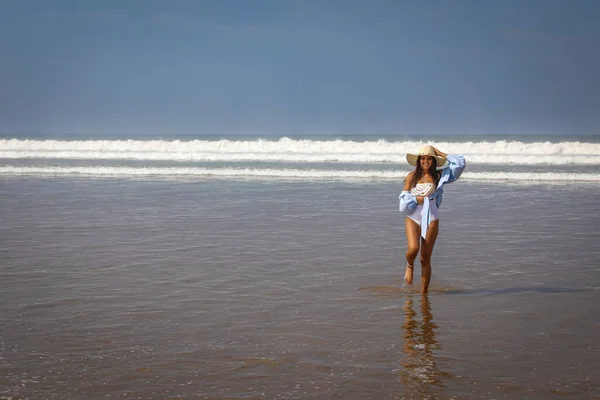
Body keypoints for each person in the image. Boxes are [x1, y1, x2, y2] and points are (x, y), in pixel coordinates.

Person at [399, 145, 466, 293]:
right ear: (418, 160)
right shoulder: (412, 176)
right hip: (413, 217)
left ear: (433, 160)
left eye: (429, 158)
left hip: (432, 218)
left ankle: (424, 293)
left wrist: (441, 154)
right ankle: (410, 265)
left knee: (425, 258)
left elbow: (460, 164)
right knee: (413, 249)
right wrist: (416, 199)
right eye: (422, 158)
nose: (425, 161)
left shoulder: (439, 175)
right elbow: (402, 204)